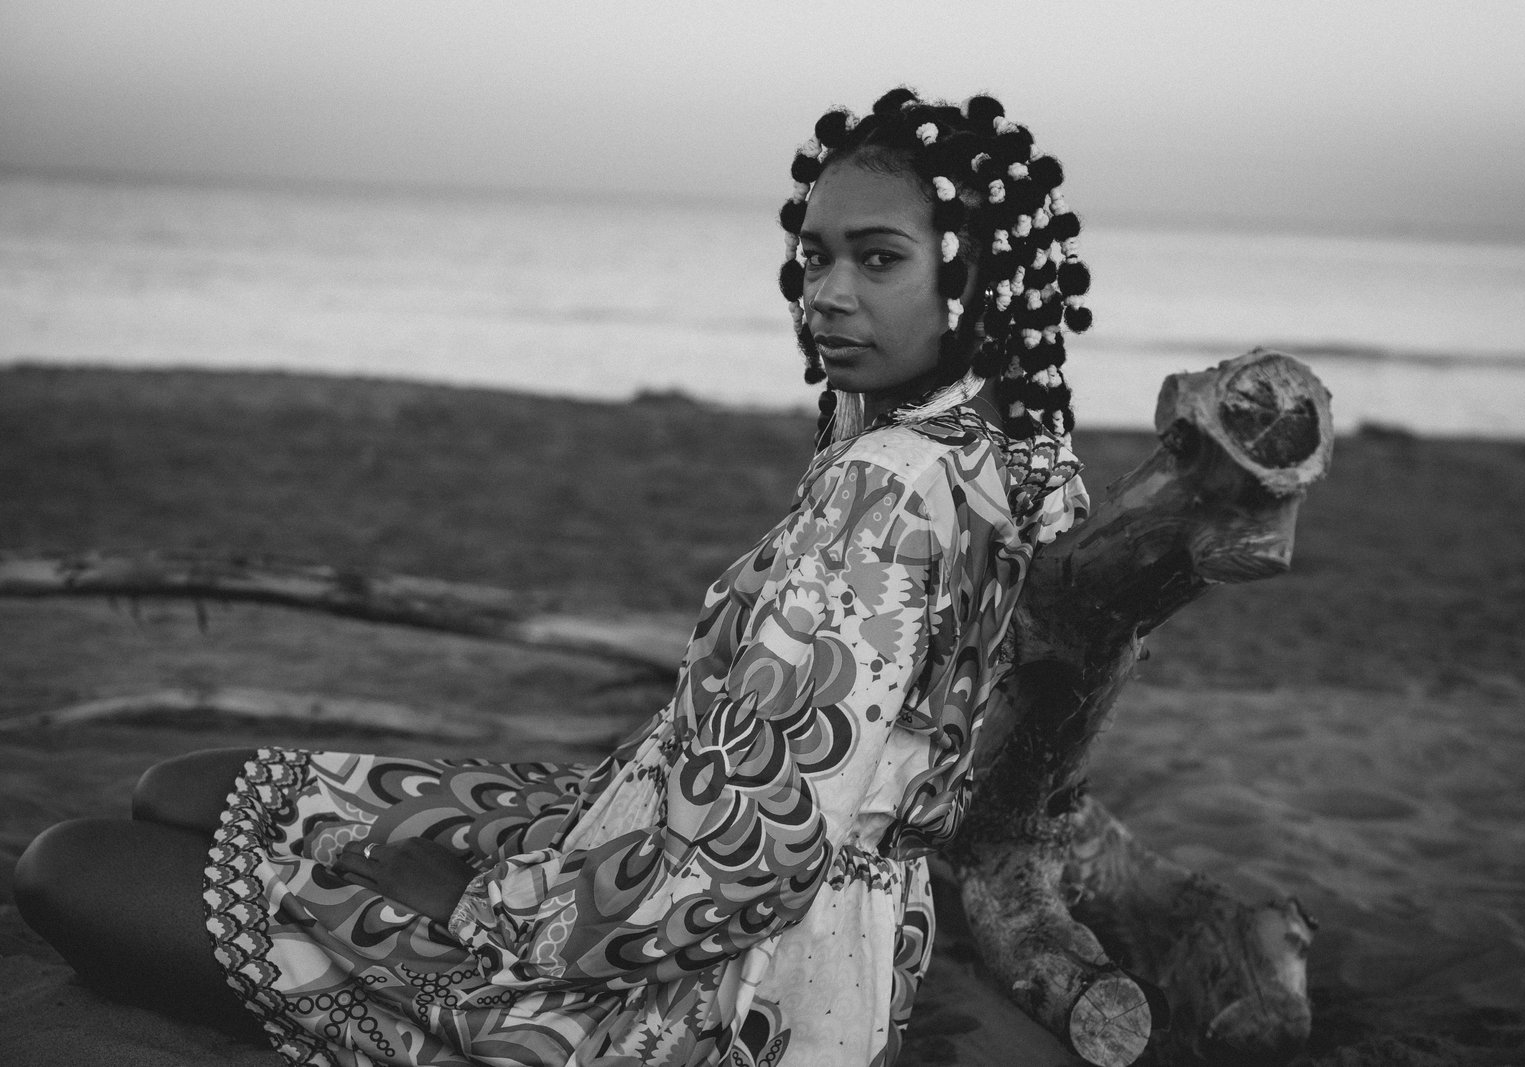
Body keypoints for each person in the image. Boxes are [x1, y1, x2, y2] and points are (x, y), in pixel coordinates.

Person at [15, 87, 1093, 1067]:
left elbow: (747, 861)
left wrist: (490, 907)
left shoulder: (887, 487)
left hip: (708, 983)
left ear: (972, 275)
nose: (828, 293)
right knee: (195, 790)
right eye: (814, 258)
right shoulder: (999, 459)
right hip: (816, 929)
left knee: (69, 865)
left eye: (877, 258)